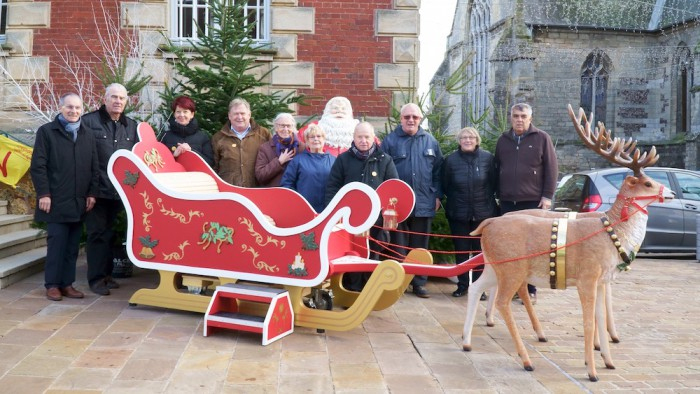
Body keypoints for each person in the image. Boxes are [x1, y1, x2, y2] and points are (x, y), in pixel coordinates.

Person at [30, 93, 99, 301]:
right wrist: (44, 193)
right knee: (57, 245)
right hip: (55, 201)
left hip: (79, 201)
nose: (74, 111)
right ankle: (52, 284)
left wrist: (92, 193)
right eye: (69, 107)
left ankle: (67, 284)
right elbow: (38, 166)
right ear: (61, 108)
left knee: (72, 247)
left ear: (82, 110)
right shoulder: (47, 132)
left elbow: (94, 167)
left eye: (78, 108)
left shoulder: (87, 134)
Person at [495, 102, 558, 304]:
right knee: (510, 247)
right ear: (510, 117)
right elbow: (497, 167)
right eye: (515, 116)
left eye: (523, 116)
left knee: (531, 248)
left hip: (532, 202)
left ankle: (530, 290)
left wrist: (547, 197)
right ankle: (513, 287)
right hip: (507, 202)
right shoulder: (503, 140)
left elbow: (551, 169)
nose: (519, 119)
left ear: (530, 118)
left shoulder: (541, 138)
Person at [325, 122, 398, 291]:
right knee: (353, 254)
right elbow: (333, 187)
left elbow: (392, 188)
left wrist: (386, 216)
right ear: (354, 138)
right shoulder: (343, 159)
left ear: (373, 138)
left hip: (376, 219)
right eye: (360, 137)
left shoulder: (385, 160)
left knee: (373, 252)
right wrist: (333, 214)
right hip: (349, 219)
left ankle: (371, 289)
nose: (364, 140)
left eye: (367, 137)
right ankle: (352, 289)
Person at [381, 103, 443, 298]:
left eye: (415, 117)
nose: (411, 120)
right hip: (397, 205)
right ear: (401, 119)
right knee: (397, 245)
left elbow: (439, 171)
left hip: (424, 202)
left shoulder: (430, 141)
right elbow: (382, 172)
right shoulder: (390, 141)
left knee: (420, 245)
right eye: (407, 117)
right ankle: (398, 284)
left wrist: (437, 195)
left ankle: (419, 283)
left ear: (420, 119)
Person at [82, 83, 138, 296]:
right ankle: (96, 279)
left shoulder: (131, 126)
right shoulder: (88, 122)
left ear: (126, 102)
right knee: (96, 235)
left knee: (109, 234)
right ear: (104, 99)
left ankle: (106, 275)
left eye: (121, 98)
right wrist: (89, 191)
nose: (117, 101)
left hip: (120, 192)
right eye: (113, 97)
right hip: (96, 192)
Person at [441, 127, 498, 298]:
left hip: (483, 214)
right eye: (464, 137)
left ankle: (479, 288)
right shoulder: (450, 161)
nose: (467, 140)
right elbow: (445, 185)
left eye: (471, 137)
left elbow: (494, 183)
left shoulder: (488, 159)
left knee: (480, 253)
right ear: (459, 141)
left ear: (477, 140)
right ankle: (463, 285)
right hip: (458, 214)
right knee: (462, 251)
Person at [212, 97, 271, 187]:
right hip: (229, 191)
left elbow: (271, 160)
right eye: (236, 114)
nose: (239, 117)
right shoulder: (218, 137)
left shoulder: (264, 134)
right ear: (229, 116)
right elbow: (214, 167)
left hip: (258, 189)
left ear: (249, 114)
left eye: (242, 113)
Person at [280, 124, 335, 212]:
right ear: (307, 141)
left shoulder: (333, 161)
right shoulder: (298, 160)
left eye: (319, 136)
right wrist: (297, 201)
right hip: (303, 209)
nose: (316, 139)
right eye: (312, 137)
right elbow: (287, 184)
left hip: (328, 209)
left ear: (323, 139)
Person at [159, 95, 214, 167]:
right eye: (178, 112)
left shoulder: (203, 137)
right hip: (172, 176)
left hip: (196, 177)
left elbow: (210, 162)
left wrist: (191, 151)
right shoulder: (165, 136)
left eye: (185, 112)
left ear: (192, 114)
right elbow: (158, 161)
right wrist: (173, 155)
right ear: (174, 114)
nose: (181, 115)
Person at [255, 113, 304, 187]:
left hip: (296, 193)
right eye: (282, 126)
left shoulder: (301, 147)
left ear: (293, 127)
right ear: (276, 127)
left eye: (288, 126)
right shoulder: (265, 148)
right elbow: (260, 176)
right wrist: (279, 162)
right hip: (274, 193)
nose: (285, 129)